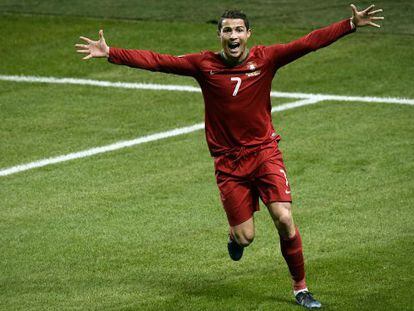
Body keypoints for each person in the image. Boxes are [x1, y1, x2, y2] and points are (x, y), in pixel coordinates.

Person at [76, 4, 383, 309]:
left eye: (238, 30)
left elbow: (308, 43)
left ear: (248, 34)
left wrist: (350, 25)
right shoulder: (203, 65)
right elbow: (158, 61)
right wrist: (112, 53)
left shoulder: (267, 59)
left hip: (264, 153)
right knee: (245, 237)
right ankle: (235, 239)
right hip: (229, 164)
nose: (233, 35)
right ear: (219, 35)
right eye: (227, 30)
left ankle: (300, 289)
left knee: (285, 219)